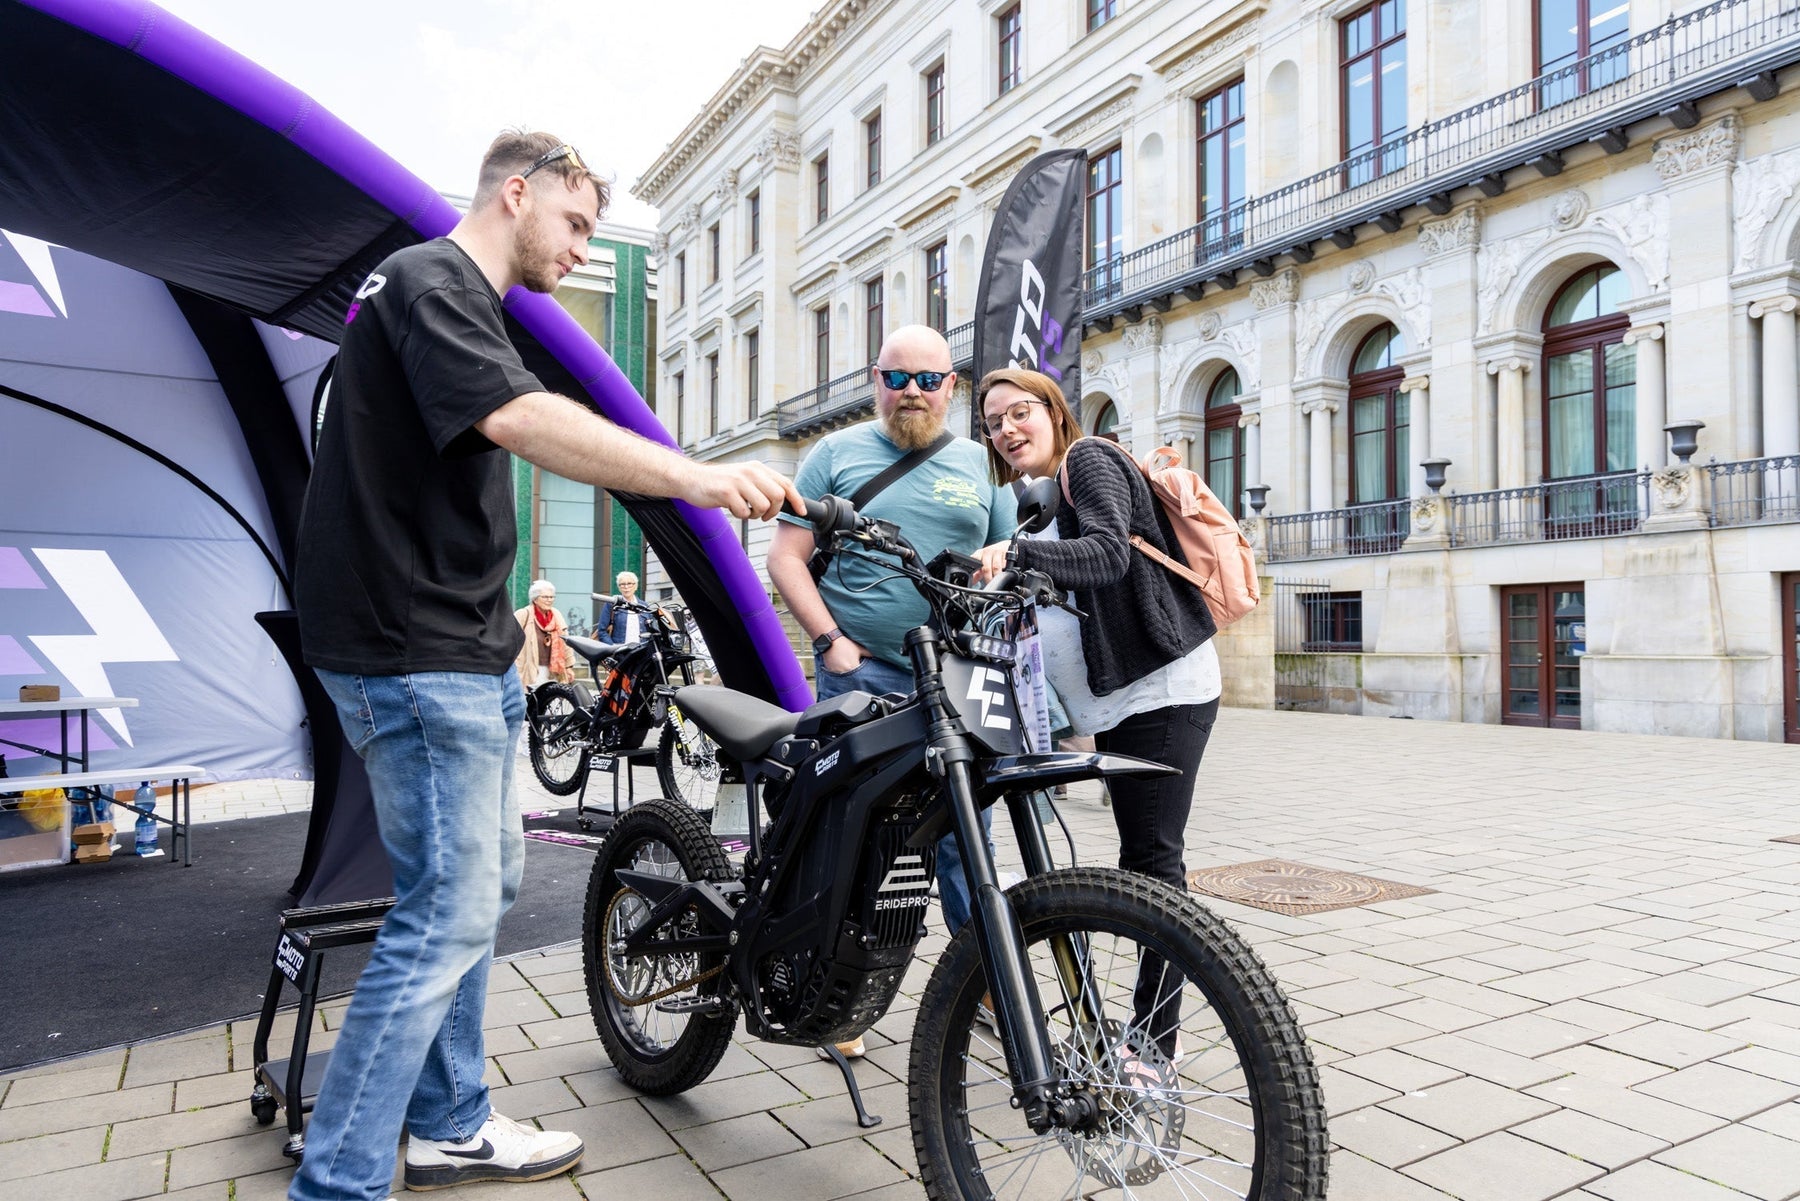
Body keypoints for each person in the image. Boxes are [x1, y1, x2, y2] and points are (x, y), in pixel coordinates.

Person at [291, 130, 800, 1201]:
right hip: (412, 651)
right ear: (514, 193)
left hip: (447, 649)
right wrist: (695, 479)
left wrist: (512, 647)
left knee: (474, 890)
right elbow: (525, 421)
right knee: (450, 910)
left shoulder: (443, 299)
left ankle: (449, 1123)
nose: (580, 246)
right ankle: (338, 1180)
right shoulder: (433, 279)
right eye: (573, 221)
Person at [766, 323, 1018, 1057]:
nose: (912, 391)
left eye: (929, 379)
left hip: (955, 679)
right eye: (897, 376)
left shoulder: (978, 463)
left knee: (968, 839)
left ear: (952, 387)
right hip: (862, 672)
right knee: (848, 836)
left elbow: (999, 562)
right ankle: (829, 997)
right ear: (875, 379)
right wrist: (830, 642)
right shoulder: (835, 455)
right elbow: (785, 557)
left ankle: (989, 990)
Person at [972, 367, 1221, 1070]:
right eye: (994, 423)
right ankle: (1142, 1032)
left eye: (1019, 412)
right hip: (1118, 703)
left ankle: (1152, 1047)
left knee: (1152, 864)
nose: (1007, 430)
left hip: (1163, 692)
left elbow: (1109, 553)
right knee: (1145, 862)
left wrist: (1015, 555)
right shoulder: (1034, 506)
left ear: (1054, 412)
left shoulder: (1091, 459)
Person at [514, 579, 573, 686]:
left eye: (551, 597)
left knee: (551, 699)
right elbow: (511, 641)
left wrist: (569, 667)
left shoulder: (556, 614)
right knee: (532, 700)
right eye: (545, 597)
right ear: (535, 599)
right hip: (529, 669)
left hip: (553, 670)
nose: (549, 600)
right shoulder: (523, 615)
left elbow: (566, 642)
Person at [594, 570, 644, 644]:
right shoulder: (611, 604)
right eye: (622, 584)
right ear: (619, 587)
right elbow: (602, 631)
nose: (626, 587)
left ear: (635, 586)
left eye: (629, 583)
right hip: (620, 652)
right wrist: (613, 648)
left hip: (642, 652)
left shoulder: (644, 606)